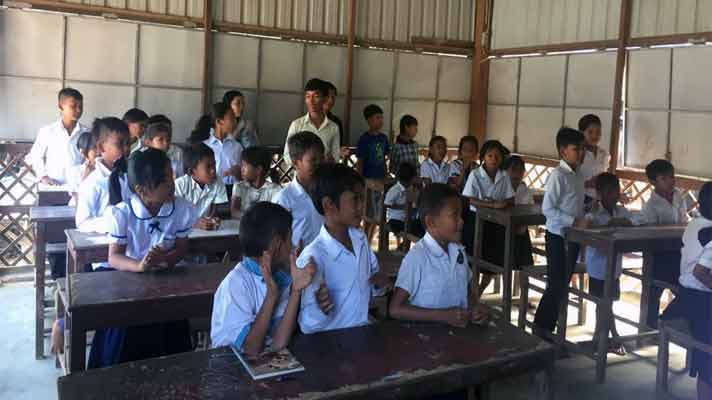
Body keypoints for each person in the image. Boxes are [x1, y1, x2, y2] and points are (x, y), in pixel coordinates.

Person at [88, 148, 195, 369]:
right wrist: (140, 265)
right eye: (166, 180)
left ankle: (171, 373)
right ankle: (122, 375)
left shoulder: (180, 208)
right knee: (128, 322)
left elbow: (182, 248)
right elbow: (115, 257)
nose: (173, 183)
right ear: (142, 190)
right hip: (127, 278)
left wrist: (167, 260)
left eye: (172, 175)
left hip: (165, 277)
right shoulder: (123, 212)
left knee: (171, 315)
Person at [210, 202, 316, 355]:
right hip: (232, 366)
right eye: (290, 240)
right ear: (277, 244)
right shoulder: (236, 285)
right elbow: (251, 350)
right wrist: (271, 296)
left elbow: (279, 343)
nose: (293, 246)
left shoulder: (283, 277)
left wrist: (296, 291)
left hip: (265, 363)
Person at [296, 163, 391, 334]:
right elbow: (308, 327)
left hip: (362, 333)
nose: (362, 206)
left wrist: (380, 285)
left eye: (363, 198)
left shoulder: (360, 240)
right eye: (356, 199)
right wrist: (320, 309)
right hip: (332, 344)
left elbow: (374, 286)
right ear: (329, 205)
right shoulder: (313, 258)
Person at [389, 183, 487, 326]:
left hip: (457, 336)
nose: (461, 221)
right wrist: (443, 316)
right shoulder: (417, 257)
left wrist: (474, 307)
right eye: (454, 215)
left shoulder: (459, 251)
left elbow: (466, 290)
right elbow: (395, 309)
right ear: (431, 222)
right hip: (426, 341)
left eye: (461, 215)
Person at [533, 128, 590, 337]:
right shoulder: (558, 175)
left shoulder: (579, 175)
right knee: (556, 283)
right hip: (558, 236)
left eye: (583, 149)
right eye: (576, 149)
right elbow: (547, 209)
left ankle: (549, 328)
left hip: (573, 236)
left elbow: (575, 203)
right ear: (562, 151)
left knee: (563, 283)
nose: (581, 153)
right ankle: (541, 328)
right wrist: (573, 220)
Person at [662, 182, 712, 400]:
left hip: (684, 296)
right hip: (700, 301)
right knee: (708, 352)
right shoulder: (709, 232)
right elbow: (702, 273)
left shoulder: (694, 224)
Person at [584, 172, 642, 355]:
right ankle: (610, 338)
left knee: (607, 303)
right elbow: (587, 227)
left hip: (614, 268)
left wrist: (625, 222)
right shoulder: (593, 213)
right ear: (599, 194)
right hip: (598, 268)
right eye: (609, 192)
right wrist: (607, 224)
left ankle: (600, 338)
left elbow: (638, 220)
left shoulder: (621, 211)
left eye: (616, 191)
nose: (613, 196)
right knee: (602, 303)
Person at [462, 140, 515, 295]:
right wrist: (492, 205)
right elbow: (469, 198)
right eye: (490, 155)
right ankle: (471, 293)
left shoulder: (504, 176)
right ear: (483, 157)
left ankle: (478, 293)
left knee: (493, 262)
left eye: (497, 156)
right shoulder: (476, 174)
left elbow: (511, 199)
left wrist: (502, 203)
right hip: (476, 222)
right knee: (475, 261)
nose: (494, 159)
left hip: (495, 224)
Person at [642, 159, 690, 328]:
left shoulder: (678, 196)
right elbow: (652, 235)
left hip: (679, 253)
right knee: (653, 295)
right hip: (658, 257)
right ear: (653, 182)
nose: (671, 181)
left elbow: (685, 221)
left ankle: (666, 320)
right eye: (665, 178)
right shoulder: (650, 206)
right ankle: (649, 330)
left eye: (672, 176)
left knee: (685, 290)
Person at [75, 118, 130, 234]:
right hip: (102, 243)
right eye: (120, 144)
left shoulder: (128, 177)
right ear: (100, 147)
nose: (126, 149)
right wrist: (113, 223)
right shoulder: (92, 183)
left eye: (128, 143)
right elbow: (82, 222)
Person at [27, 87, 88, 185]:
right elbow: (35, 156)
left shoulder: (86, 132)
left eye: (81, 106)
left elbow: (89, 159)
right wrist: (43, 176)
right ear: (60, 107)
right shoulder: (48, 131)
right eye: (73, 106)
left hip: (78, 186)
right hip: (53, 185)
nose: (78, 110)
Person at [274, 132, 325, 247]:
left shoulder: (326, 192)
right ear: (296, 163)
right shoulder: (284, 199)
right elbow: (278, 240)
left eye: (322, 158)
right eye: (313, 160)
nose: (319, 163)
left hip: (326, 260)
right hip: (298, 262)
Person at [190, 103, 243, 198]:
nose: (235, 122)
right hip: (210, 192)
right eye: (231, 118)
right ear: (219, 121)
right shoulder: (204, 145)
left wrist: (238, 173)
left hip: (234, 192)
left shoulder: (237, 147)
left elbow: (243, 175)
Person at [283, 78, 340, 165]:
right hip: (302, 176)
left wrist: (328, 160)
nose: (311, 101)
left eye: (316, 96)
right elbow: (287, 156)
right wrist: (304, 163)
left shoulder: (333, 127)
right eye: (308, 96)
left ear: (324, 99)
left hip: (323, 176)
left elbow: (336, 157)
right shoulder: (297, 125)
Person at [356, 104, 390, 243]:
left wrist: (386, 175)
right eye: (377, 118)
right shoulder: (364, 139)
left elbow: (385, 157)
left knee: (379, 215)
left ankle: (369, 241)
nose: (381, 121)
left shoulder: (384, 138)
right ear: (369, 121)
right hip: (368, 181)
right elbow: (360, 162)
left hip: (381, 180)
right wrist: (360, 180)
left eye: (381, 118)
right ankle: (365, 241)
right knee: (368, 214)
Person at [174, 143, 228, 230]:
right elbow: (174, 216)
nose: (213, 170)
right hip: (183, 231)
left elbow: (215, 210)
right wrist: (195, 224)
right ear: (192, 171)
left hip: (206, 231)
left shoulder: (217, 182)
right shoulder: (179, 185)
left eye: (214, 164)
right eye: (208, 167)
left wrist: (213, 219)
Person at [231, 146, 282, 219]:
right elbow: (234, 211)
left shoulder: (275, 190)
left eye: (244, 166)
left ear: (258, 170)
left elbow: (276, 214)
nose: (241, 169)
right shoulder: (239, 187)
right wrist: (253, 218)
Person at [504, 154, 535, 268]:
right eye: (513, 169)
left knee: (524, 266)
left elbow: (529, 209)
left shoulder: (524, 189)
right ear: (505, 171)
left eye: (520, 170)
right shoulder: (501, 188)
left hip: (521, 231)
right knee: (505, 265)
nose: (517, 173)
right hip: (503, 231)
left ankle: (523, 286)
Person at [578, 114, 611, 210]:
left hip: (600, 201)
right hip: (581, 200)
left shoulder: (604, 154)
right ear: (581, 133)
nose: (595, 136)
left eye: (598, 132)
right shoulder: (578, 154)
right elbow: (568, 182)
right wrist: (588, 183)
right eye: (590, 132)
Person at [384, 162, 418, 238]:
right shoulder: (395, 190)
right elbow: (386, 204)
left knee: (418, 224)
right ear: (410, 179)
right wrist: (403, 207)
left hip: (407, 219)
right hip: (395, 220)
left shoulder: (410, 188)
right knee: (410, 228)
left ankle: (406, 244)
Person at [66, 129, 99, 205]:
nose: (98, 152)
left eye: (100, 147)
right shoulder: (75, 172)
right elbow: (77, 196)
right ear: (83, 152)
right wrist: (85, 176)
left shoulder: (105, 170)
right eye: (94, 148)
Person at [323, 81, 345, 148]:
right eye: (327, 96)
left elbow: (339, 146)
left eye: (333, 97)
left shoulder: (336, 121)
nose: (330, 100)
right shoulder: (305, 122)